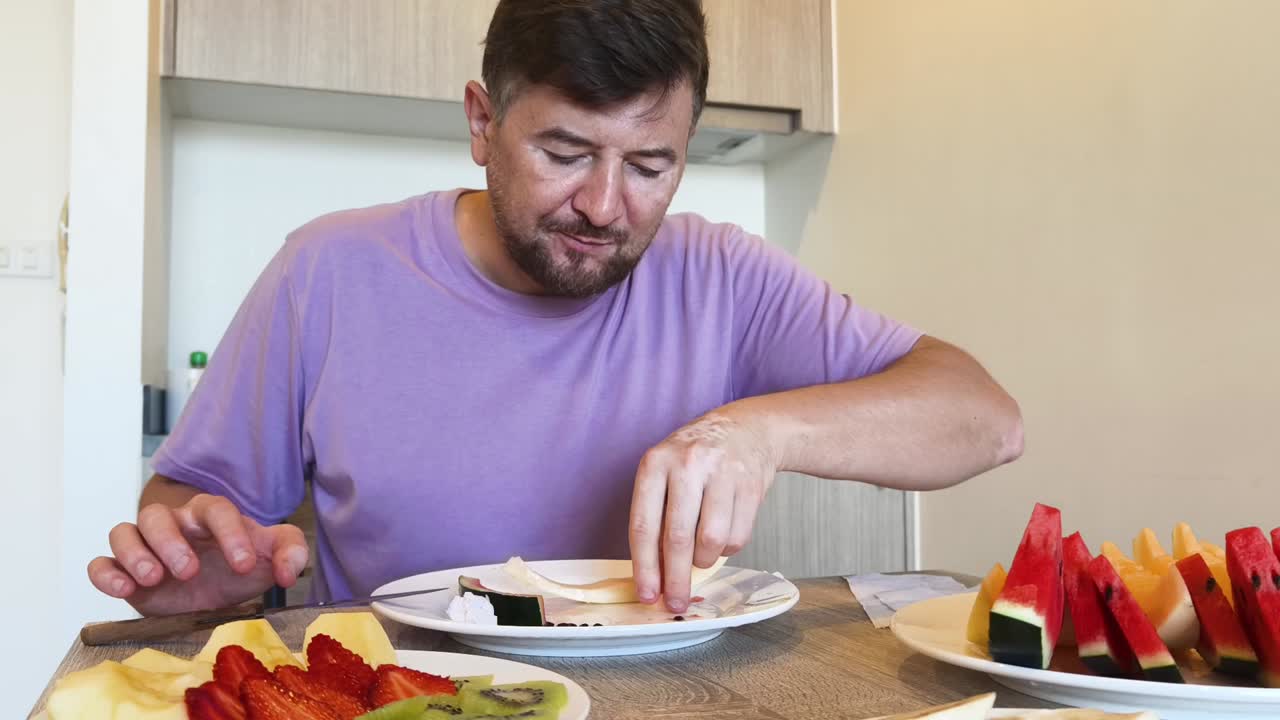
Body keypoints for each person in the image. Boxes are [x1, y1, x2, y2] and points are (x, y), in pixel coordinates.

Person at [87, 0, 1022, 617]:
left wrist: (760, 434)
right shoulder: (327, 270)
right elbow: (190, 510)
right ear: (482, 124)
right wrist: (197, 567)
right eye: (566, 154)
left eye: (650, 165)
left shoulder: (721, 275)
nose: (606, 207)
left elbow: (984, 419)